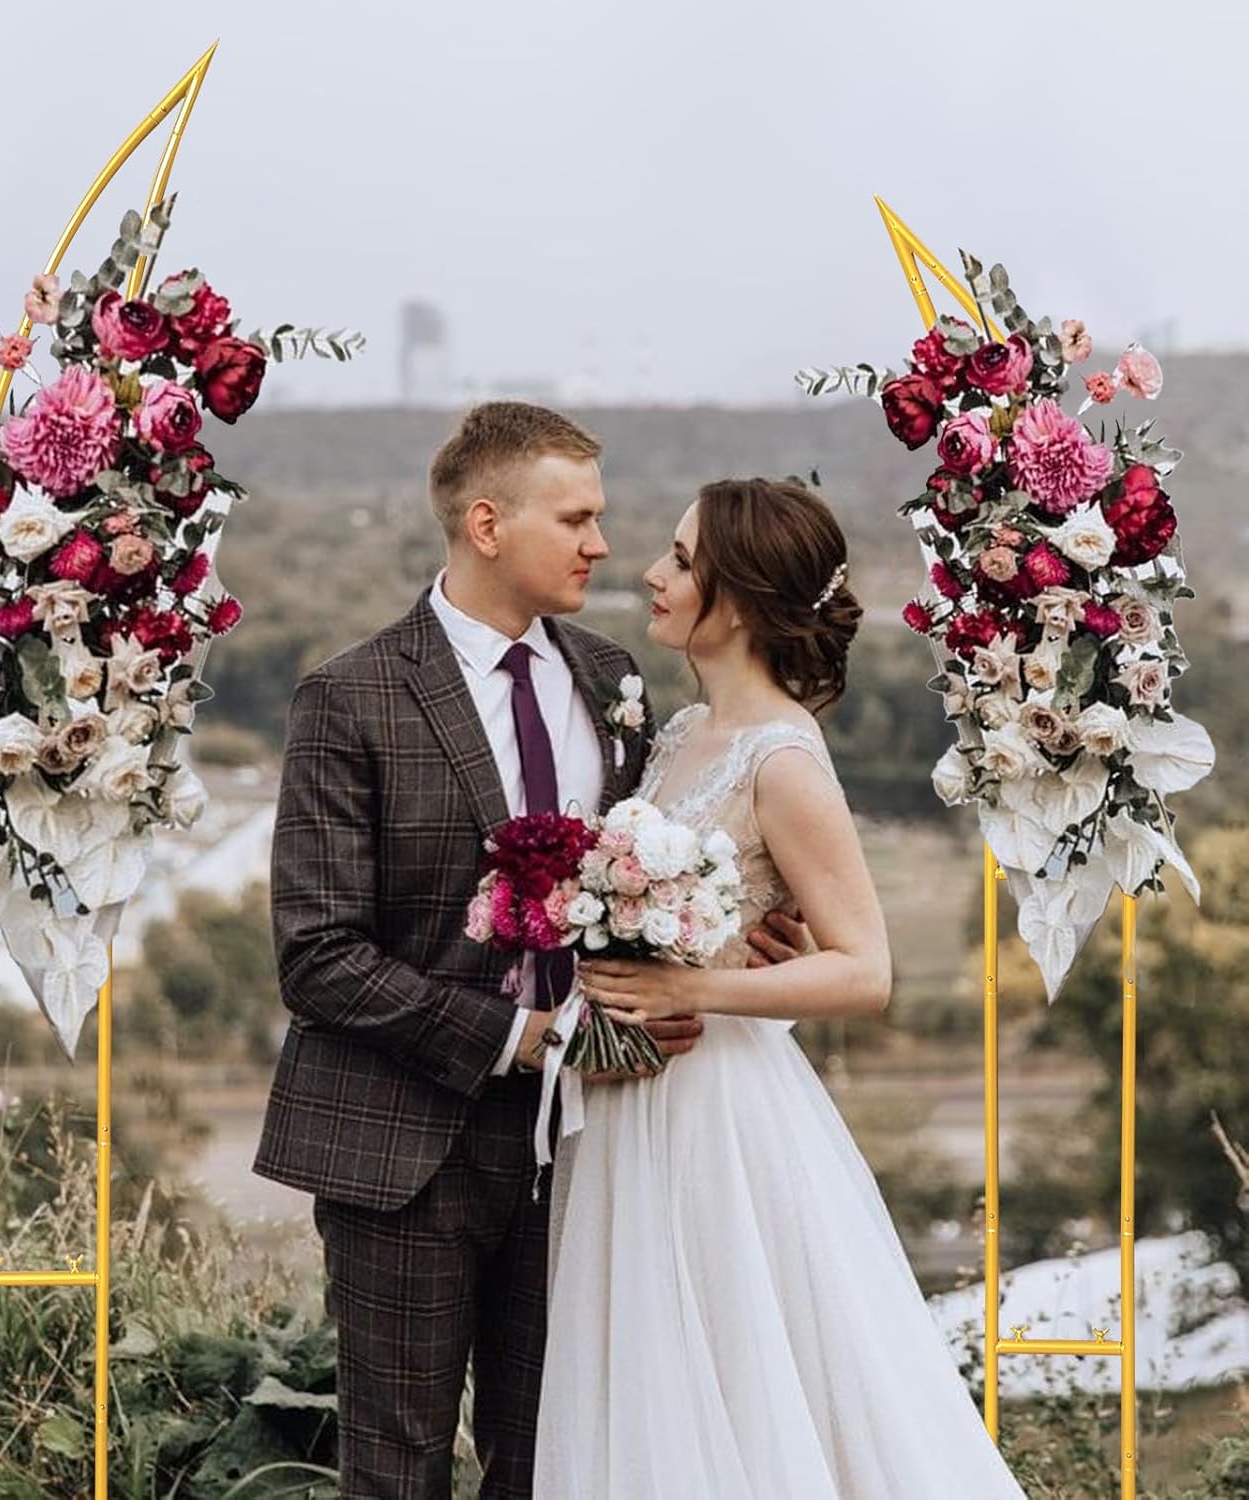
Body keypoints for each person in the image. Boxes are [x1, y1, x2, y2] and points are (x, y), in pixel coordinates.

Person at [255, 406, 808, 1496]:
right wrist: (528, 1038)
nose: (602, 544)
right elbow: (316, 955)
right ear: (487, 524)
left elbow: (654, 880)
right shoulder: (351, 695)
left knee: (558, 1465)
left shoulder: (615, 681)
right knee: (396, 1472)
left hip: (592, 1148)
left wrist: (734, 944)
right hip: (402, 1147)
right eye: (576, 519)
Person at [534, 477, 1028, 1498]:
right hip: (632, 1102)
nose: (651, 573)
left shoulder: (784, 761)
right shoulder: (678, 733)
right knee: (655, 1376)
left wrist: (690, 988)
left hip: (716, 1113)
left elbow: (864, 968)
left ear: (745, 600)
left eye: (681, 561)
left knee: (742, 1366)